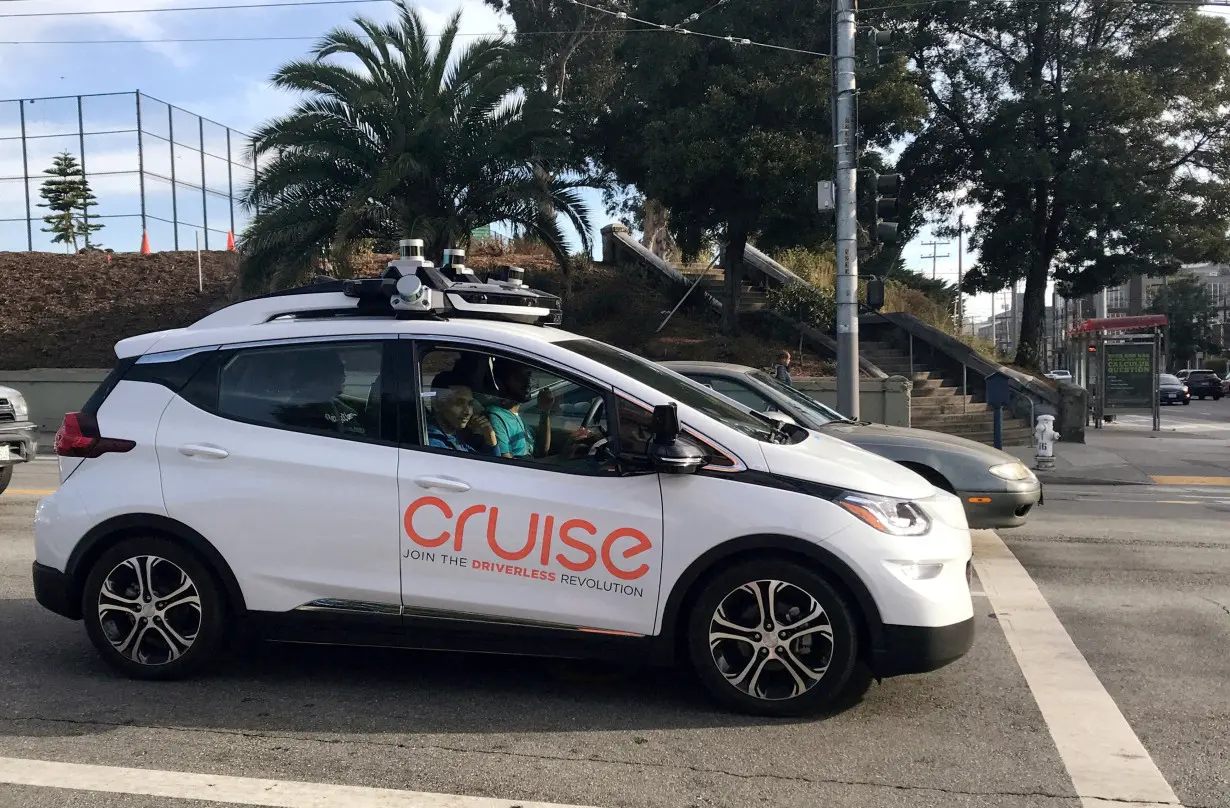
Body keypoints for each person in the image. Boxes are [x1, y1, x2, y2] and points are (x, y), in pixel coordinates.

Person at [485, 358, 555, 459]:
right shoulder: (496, 417)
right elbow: (506, 463)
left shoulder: (517, 417)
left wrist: (545, 411)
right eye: (519, 378)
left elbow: (541, 452)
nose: (527, 382)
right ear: (501, 382)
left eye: (529, 376)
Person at [427, 383, 499, 455]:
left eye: (470, 404)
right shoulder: (434, 443)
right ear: (437, 405)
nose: (467, 412)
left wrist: (490, 438)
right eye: (459, 403)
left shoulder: (460, 438)